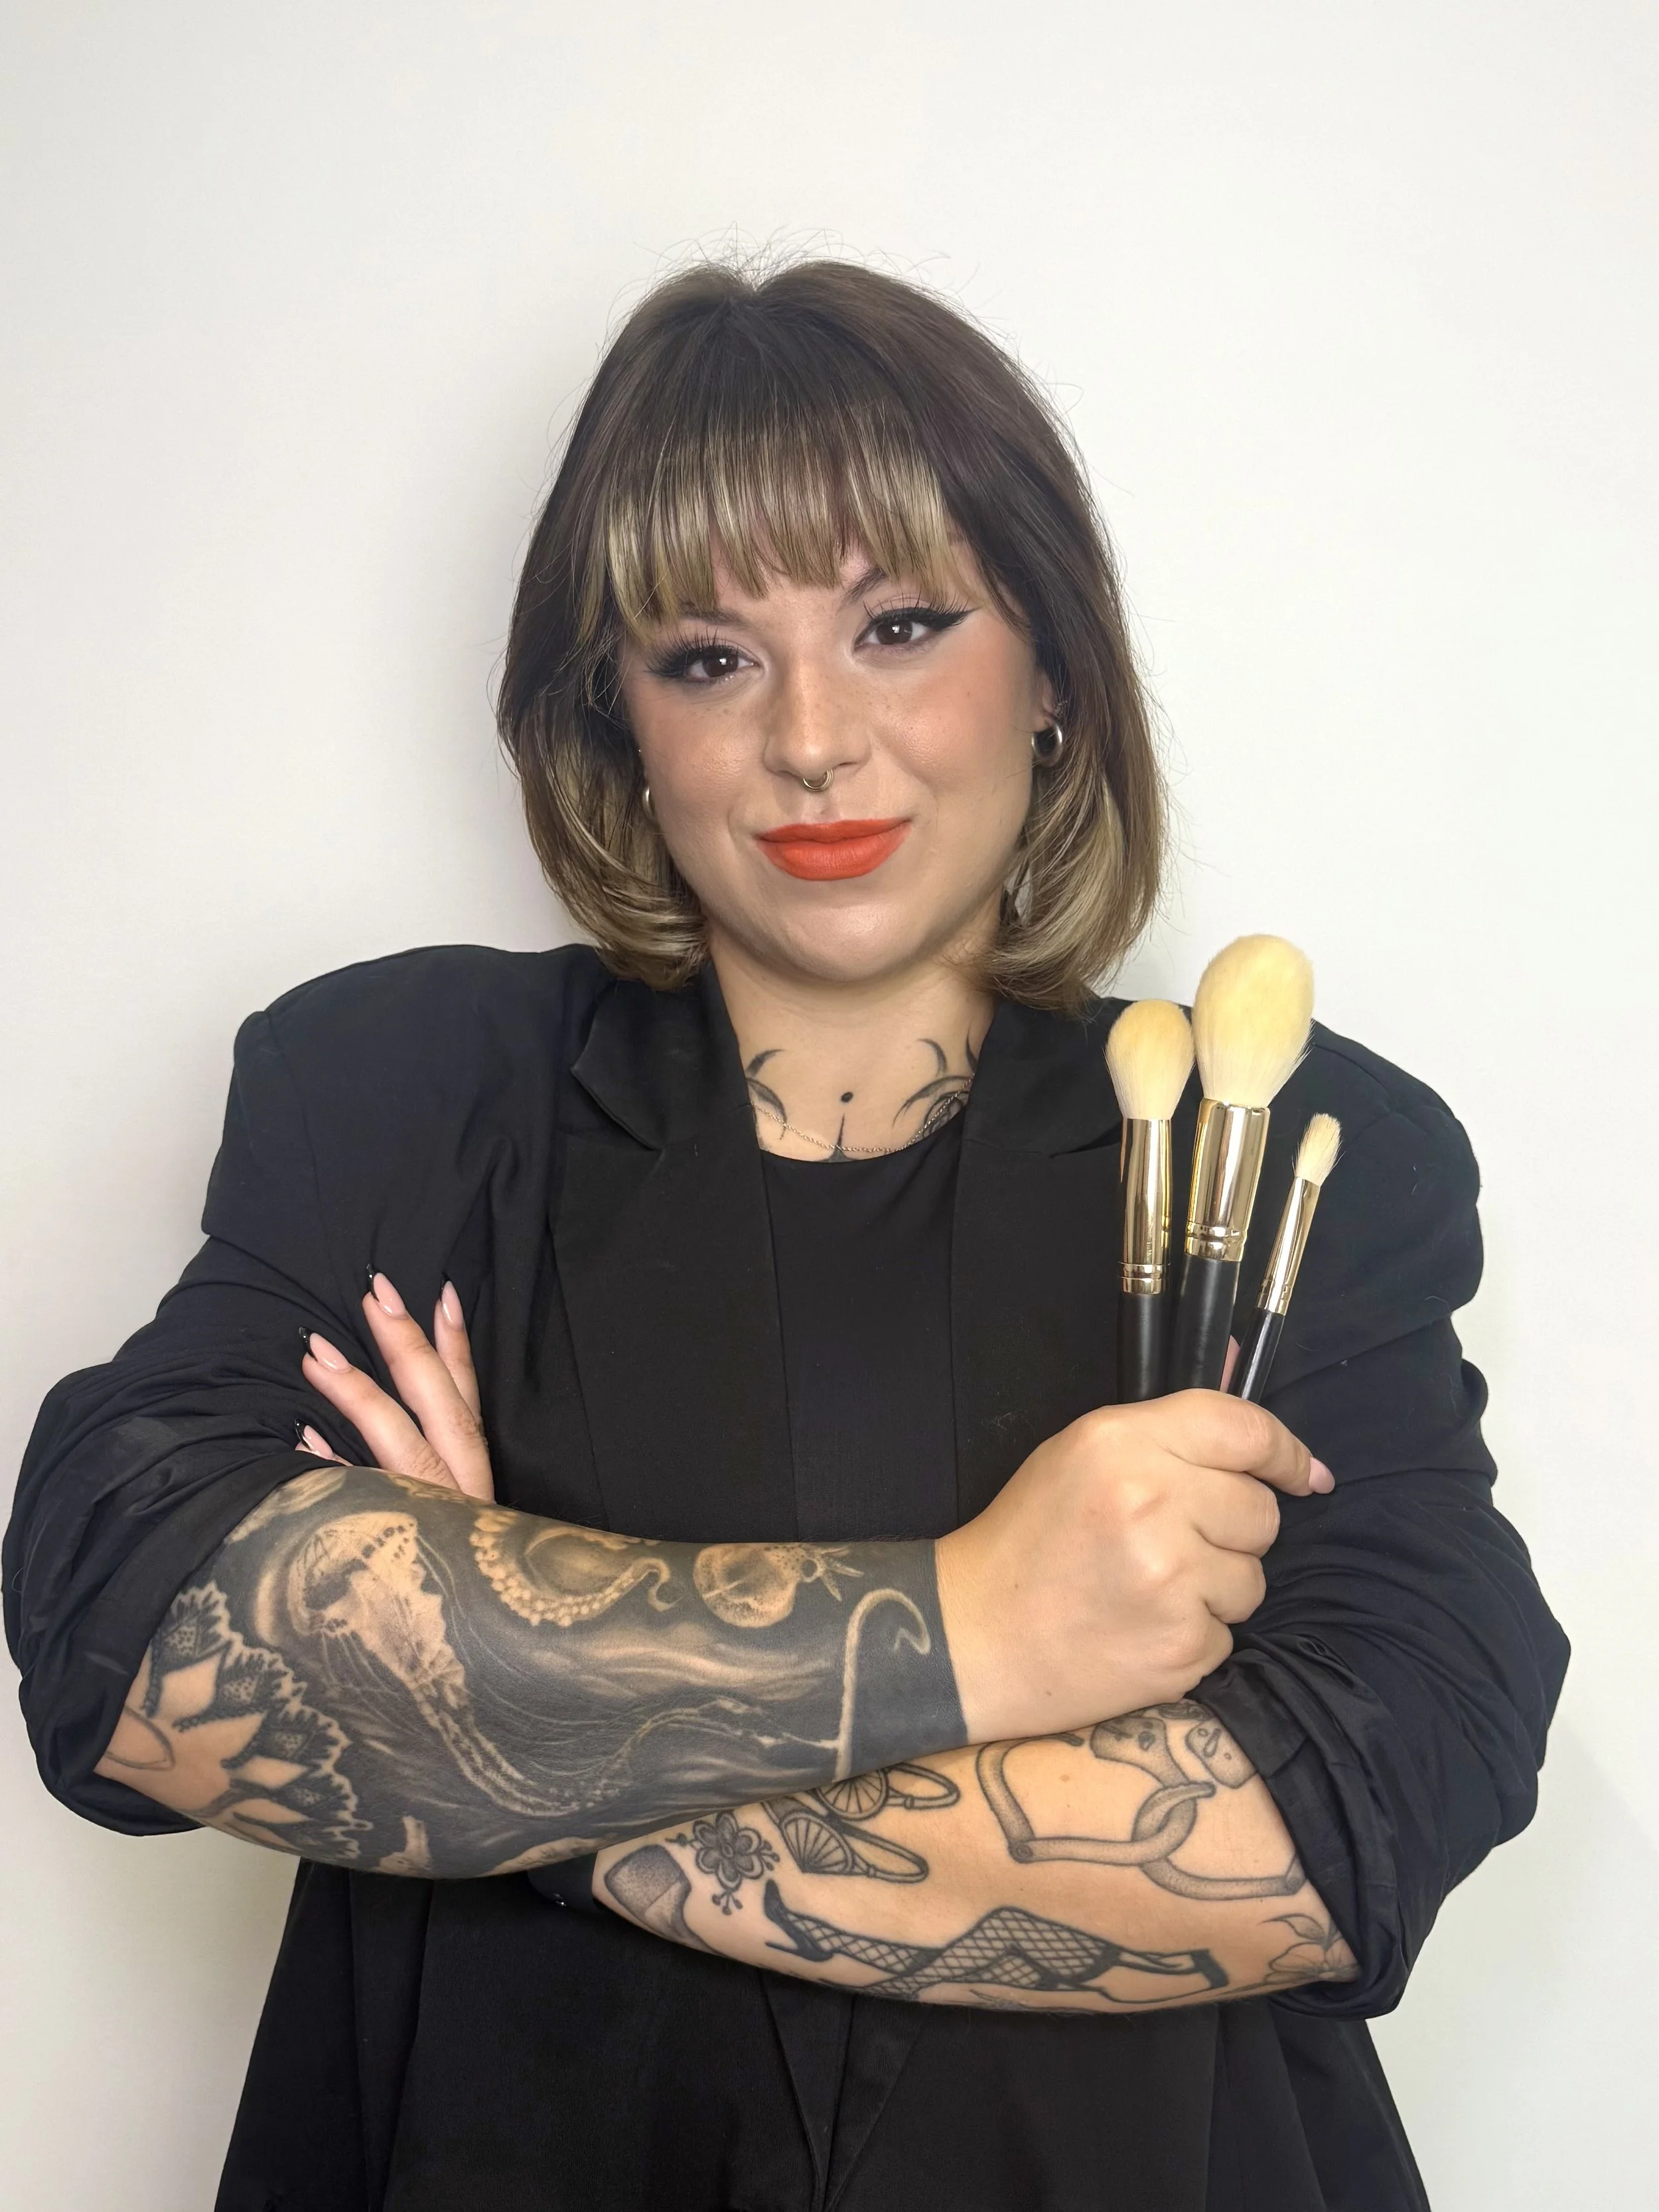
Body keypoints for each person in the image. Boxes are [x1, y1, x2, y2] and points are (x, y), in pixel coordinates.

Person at [5, 258, 1567, 2212]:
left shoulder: (1289, 1154)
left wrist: (482, 1732)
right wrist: (981, 1622)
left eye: (902, 625)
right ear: (614, 717)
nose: (814, 740)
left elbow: (1327, 1830)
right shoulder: (400, 1090)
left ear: (1055, 669)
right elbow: (133, 1635)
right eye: (709, 656)